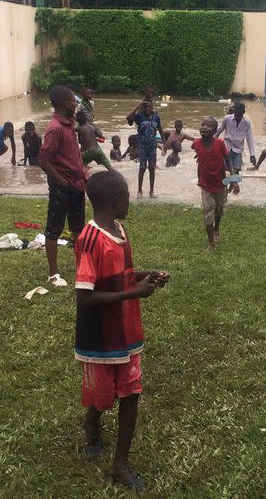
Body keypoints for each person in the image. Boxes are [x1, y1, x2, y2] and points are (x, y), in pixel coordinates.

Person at [74, 169, 169, 492]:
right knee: (103, 397)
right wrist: (134, 292)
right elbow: (84, 295)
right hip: (100, 335)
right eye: (127, 197)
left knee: (131, 392)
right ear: (116, 201)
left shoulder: (120, 230)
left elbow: (122, 273)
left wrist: (147, 275)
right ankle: (92, 421)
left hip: (127, 330)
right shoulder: (89, 239)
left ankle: (120, 464)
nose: (130, 202)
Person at [38, 85, 88, 287]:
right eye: (73, 100)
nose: (76, 104)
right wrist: (62, 182)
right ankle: (53, 274)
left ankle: (82, 268)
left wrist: (83, 174)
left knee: (78, 228)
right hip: (63, 188)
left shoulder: (68, 125)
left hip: (77, 186)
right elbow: (43, 160)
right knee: (54, 230)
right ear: (65, 103)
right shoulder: (55, 129)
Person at [193, 116, 237, 251]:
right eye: (202, 124)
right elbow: (198, 151)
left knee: (219, 209)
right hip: (205, 184)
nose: (204, 127)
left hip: (221, 183)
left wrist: (234, 180)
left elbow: (228, 160)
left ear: (215, 131)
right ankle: (211, 242)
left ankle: (216, 228)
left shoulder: (220, 143)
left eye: (208, 126)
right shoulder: (196, 143)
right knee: (208, 210)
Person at [126, 101, 165, 198]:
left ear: (152, 108)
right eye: (145, 107)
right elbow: (128, 117)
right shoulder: (139, 117)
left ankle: (151, 191)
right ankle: (139, 190)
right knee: (142, 168)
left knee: (152, 168)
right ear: (143, 108)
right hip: (142, 146)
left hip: (152, 146)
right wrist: (137, 107)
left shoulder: (156, 117)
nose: (147, 109)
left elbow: (160, 130)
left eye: (149, 107)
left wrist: (165, 144)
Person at [216, 102, 256, 173]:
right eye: (237, 114)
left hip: (238, 149)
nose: (238, 117)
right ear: (234, 111)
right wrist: (210, 144)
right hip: (226, 147)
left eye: (240, 115)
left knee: (237, 169)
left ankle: (234, 182)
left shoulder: (247, 123)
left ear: (243, 113)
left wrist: (252, 155)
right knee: (225, 169)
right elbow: (219, 131)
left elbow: (250, 139)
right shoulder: (227, 119)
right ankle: (225, 182)